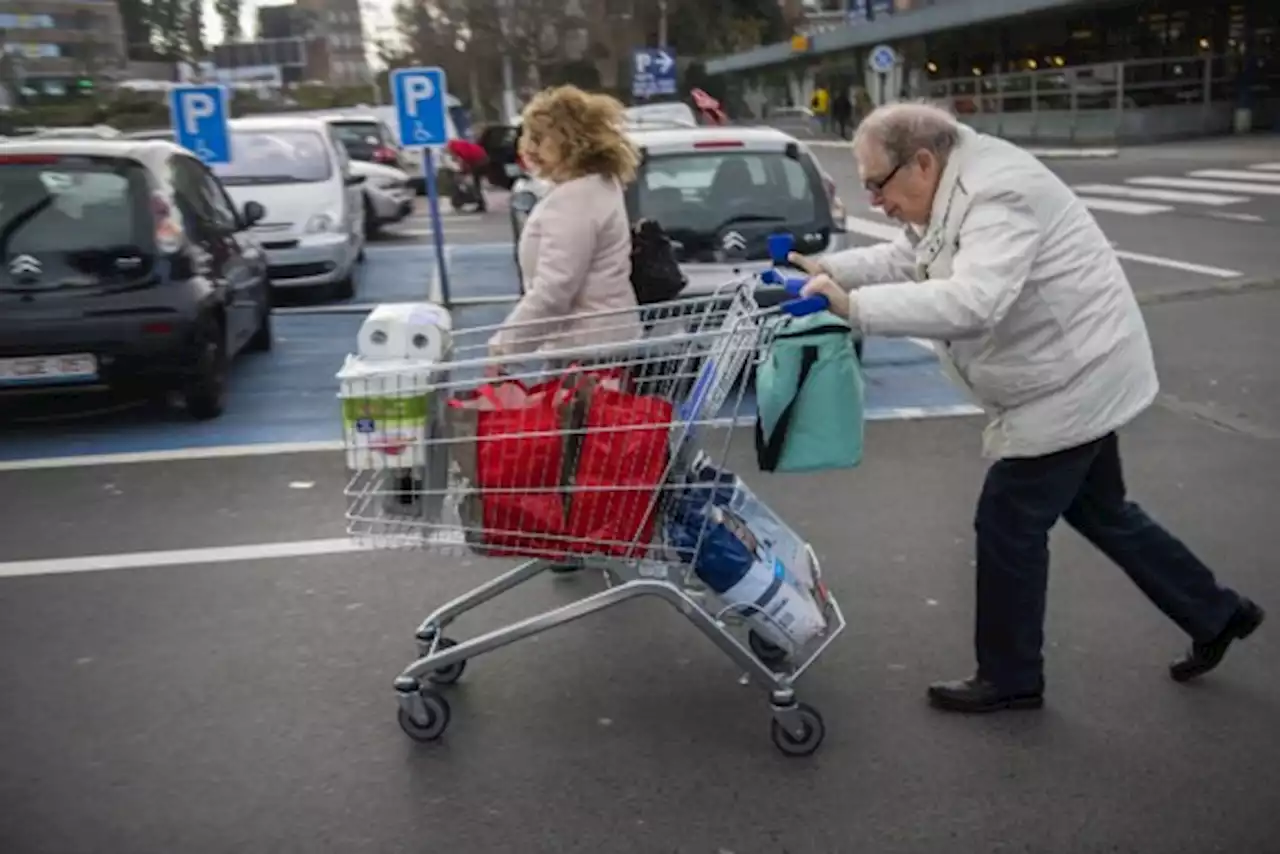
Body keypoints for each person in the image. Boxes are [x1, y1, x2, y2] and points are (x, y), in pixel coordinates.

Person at [791, 101, 1264, 714]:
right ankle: (1217, 612)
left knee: (1009, 519)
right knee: (1103, 511)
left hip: (1072, 378)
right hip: (1073, 370)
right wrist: (828, 268)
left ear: (923, 161)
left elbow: (975, 300)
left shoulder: (998, 194)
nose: (875, 201)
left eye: (877, 185)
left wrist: (855, 310)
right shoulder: (950, 187)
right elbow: (913, 258)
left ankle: (1010, 675)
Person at [488, 84, 641, 359]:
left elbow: (554, 289)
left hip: (585, 350)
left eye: (538, 138)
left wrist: (504, 348)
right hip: (602, 342)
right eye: (527, 137)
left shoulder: (575, 198)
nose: (528, 147)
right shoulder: (600, 184)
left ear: (569, 140)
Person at [445, 136, 489, 213]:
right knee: (475, 182)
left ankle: (480, 203)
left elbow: (464, 160)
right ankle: (480, 202)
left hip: (479, 161)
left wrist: (463, 171)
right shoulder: (460, 145)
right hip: (483, 159)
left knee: (474, 183)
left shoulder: (458, 148)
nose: (450, 154)